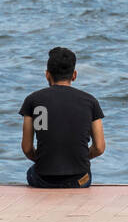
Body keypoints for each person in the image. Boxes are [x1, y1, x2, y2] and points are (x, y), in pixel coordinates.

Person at [19, 47, 105, 188]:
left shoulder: (33, 100)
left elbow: (27, 148)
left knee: (31, 172)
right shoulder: (90, 102)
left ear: (47, 75)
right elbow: (100, 148)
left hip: (43, 179)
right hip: (80, 179)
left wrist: (45, 159)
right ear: (74, 75)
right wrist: (78, 157)